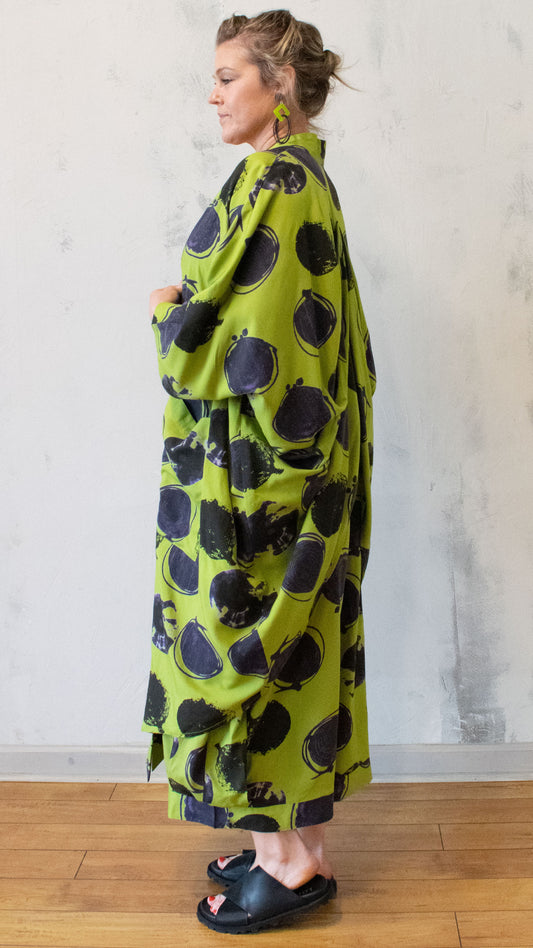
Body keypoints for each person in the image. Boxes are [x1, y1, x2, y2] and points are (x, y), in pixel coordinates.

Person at [142, 9, 376, 935]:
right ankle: (295, 848)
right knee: (290, 647)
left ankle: (285, 867)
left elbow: (246, 353)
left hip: (260, 479)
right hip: (282, 468)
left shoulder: (278, 183)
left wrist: (167, 313)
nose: (211, 95)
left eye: (226, 76)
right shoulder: (297, 176)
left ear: (278, 86)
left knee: (249, 645)